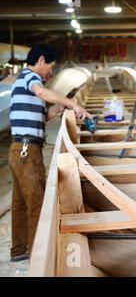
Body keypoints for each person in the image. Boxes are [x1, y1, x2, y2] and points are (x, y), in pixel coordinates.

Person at [9, 44, 89, 262]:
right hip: (27, 150)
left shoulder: (25, 82)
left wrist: (57, 110)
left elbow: (39, 118)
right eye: (50, 68)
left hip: (20, 148)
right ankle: (39, 254)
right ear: (41, 60)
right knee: (36, 201)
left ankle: (19, 250)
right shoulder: (29, 77)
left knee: (20, 203)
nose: (50, 74)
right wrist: (72, 103)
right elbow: (42, 92)